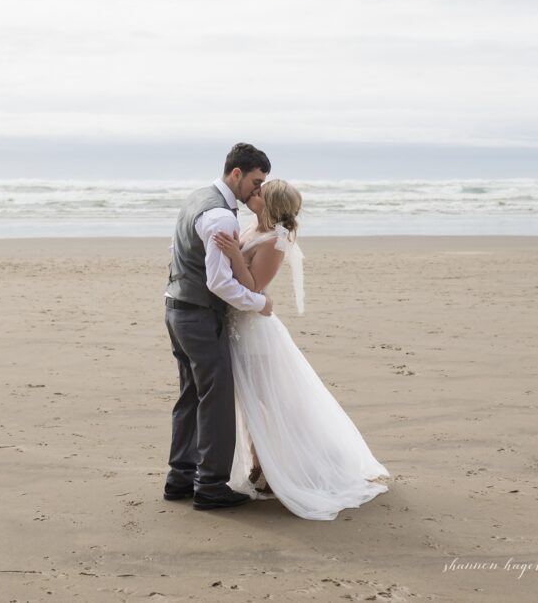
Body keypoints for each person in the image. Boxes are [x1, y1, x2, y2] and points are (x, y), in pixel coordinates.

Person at [213, 179, 391, 520]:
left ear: (271, 203)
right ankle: (258, 466)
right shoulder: (253, 227)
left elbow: (254, 286)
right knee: (249, 402)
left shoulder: (276, 241)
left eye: (259, 193)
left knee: (271, 403)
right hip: (238, 328)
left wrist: (234, 253)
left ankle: (310, 465)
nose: (253, 193)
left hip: (254, 333)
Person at [163, 143, 274, 510]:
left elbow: (176, 250)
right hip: (197, 313)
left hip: (176, 306)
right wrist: (261, 303)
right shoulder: (221, 217)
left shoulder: (198, 198)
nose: (258, 191)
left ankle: (179, 479)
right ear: (237, 173)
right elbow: (220, 283)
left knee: (190, 395)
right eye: (256, 182)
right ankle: (210, 486)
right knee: (217, 399)